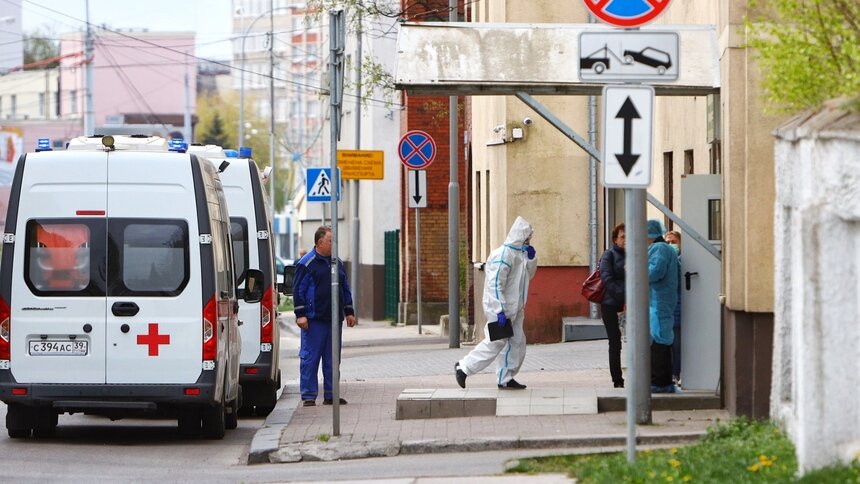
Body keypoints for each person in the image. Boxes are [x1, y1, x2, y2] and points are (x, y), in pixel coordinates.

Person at [455, 216, 538, 390]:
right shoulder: (504, 255)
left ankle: (505, 377)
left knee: (517, 343)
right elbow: (495, 285)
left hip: (515, 309)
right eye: (527, 237)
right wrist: (498, 310)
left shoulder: (520, 255)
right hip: (502, 309)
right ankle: (464, 367)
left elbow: (528, 277)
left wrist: (531, 259)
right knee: (495, 343)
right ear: (521, 236)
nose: (529, 241)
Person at [293, 226, 357, 406]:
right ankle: (308, 396)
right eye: (330, 240)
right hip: (314, 320)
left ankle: (331, 395)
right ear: (320, 242)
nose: (333, 244)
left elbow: (344, 287)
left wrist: (349, 311)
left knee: (332, 359)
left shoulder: (337, 262)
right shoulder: (306, 264)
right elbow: (298, 290)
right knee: (310, 358)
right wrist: (301, 314)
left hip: (334, 319)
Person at [647, 219, 680, 393]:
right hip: (659, 302)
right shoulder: (661, 249)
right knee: (661, 339)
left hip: (658, 302)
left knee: (659, 341)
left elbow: (655, 272)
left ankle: (659, 382)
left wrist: (634, 269)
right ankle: (662, 381)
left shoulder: (659, 249)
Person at [599, 223, 626, 388]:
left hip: (631, 305)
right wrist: (624, 298)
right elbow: (607, 279)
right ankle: (617, 379)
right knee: (615, 342)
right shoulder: (608, 255)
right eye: (623, 237)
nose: (626, 240)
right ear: (615, 239)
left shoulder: (636, 254)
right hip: (610, 305)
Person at [664, 230, 682, 385]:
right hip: (667, 311)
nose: (671, 245)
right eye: (668, 242)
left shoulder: (682, 261)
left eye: (673, 242)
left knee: (677, 346)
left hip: (677, 310)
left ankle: (676, 373)